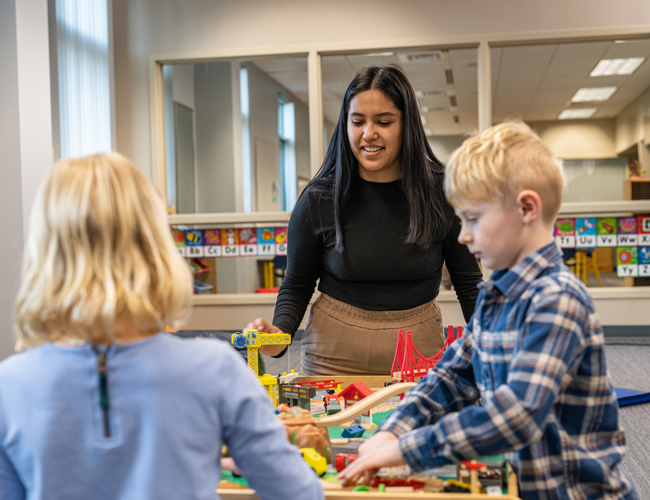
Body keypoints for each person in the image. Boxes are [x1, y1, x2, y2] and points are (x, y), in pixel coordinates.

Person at [338, 122, 638, 499]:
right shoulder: (496, 296)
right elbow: (450, 377)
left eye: (473, 219)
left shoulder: (557, 299)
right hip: (522, 485)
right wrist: (391, 431)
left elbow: (516, 417)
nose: (463, 235)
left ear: (527, 207)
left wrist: (405, 450)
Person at [0, 153, 323, 500]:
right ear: (156, 247)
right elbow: (298, 493)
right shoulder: (215, 369)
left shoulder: (10, 386)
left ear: (47, 253)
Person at [247, 65, 483, 375]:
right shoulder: (319, 198)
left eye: (384, 122)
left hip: (418, 356)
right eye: (357, 121)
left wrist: (494, 342)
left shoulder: (442, 193)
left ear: (407, 124)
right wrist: (279, 335)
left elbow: (468, 284)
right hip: (331, 358)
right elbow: (296, 285)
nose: (368, 134)